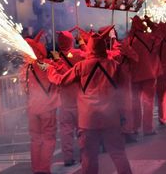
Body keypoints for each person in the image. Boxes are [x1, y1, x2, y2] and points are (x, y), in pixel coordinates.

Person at [48, 26, 132, 174]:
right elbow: (124, 92)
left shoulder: (82, 66)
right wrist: (124, 115)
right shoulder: (114, 65)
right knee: (118, 154)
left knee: (88, 157)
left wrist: (50, 70)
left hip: (88, 119)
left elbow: (61, 80)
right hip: (110, 116)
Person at [21, 30, 60, 174]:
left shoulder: (26, 68)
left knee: (35, 139)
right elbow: (58, 78)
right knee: (48, 139)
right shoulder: (46, 65)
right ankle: (44, 169)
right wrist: (57, 61)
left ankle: (36, 168)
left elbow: (24, 87)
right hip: (47, 108)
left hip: (32, 107)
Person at [55, 30, 85, 167]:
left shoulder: (55, 58)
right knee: (82, 129)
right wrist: (82, 43)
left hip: (64, 100)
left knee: (66, 131)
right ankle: (85, 155)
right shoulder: (78, 54)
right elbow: (91, 55)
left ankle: (68, 158)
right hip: (79, 98)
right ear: (71, 41)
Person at [128, 16, 162, 136]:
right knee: (148, 102)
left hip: (134, 76)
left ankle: (135, 127)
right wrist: (150, 23)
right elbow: (160, 34)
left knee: (135, 103)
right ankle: (147, 129)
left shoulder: (129, 40)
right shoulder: (149, 38)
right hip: (149, 74)